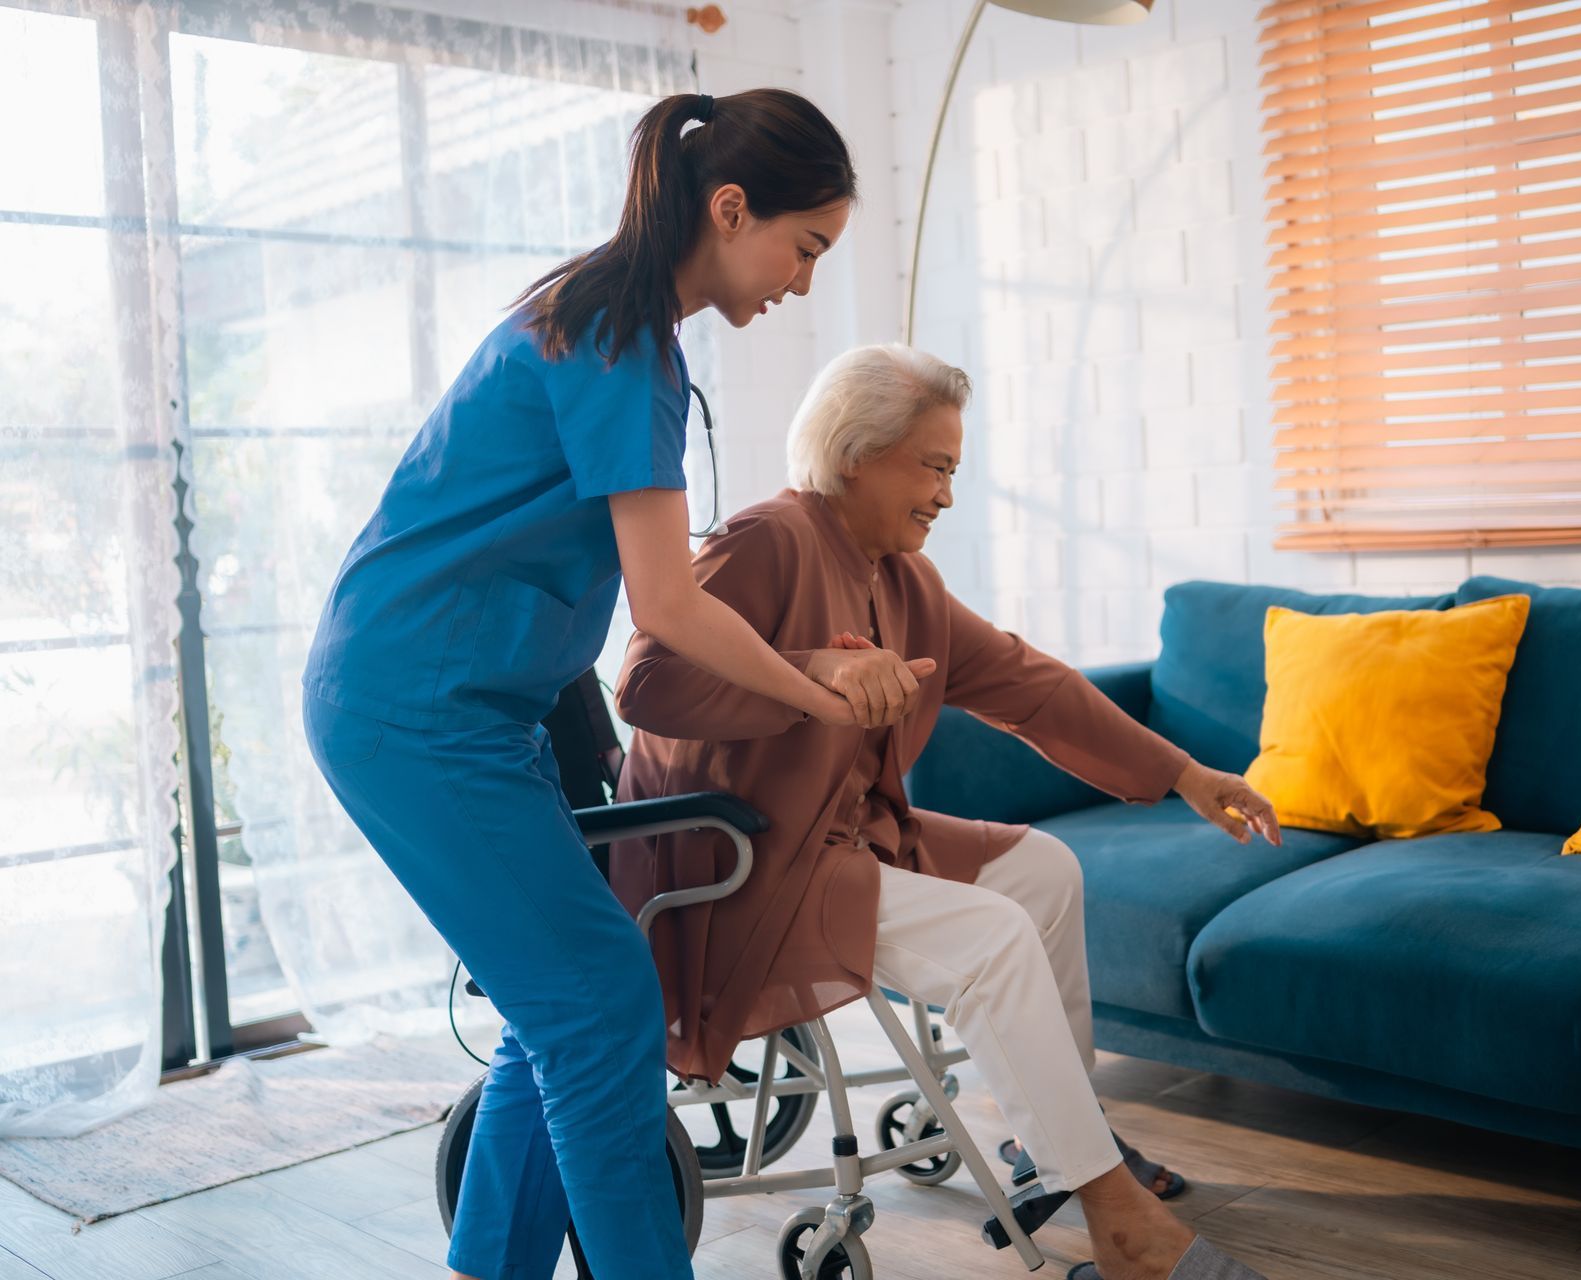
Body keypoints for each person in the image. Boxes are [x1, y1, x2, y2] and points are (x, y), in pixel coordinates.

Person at [299, 90, 906, 1280]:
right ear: (731, 210)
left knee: (559, 1006)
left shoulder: (611, 321)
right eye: (806, 245)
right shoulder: (620, 345)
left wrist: (808, 672)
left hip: (466, 700)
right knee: (598, 1002)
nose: (802, 277)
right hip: (414, 706)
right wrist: (818, 690)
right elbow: (668, 604)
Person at [611, 344, 1283, 1280]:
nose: (946, 495)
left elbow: (1031, 686)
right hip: (739, 874)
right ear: (856, 452)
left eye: (952, 471)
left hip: (844, 849)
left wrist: (1183, 772)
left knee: (1043, 870)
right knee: (993, 935)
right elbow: (645, 680)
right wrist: (810, 671)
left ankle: (1055, 1145)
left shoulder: (903, 579)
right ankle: (1116, 1219)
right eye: (933, 467)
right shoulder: (768, 539)